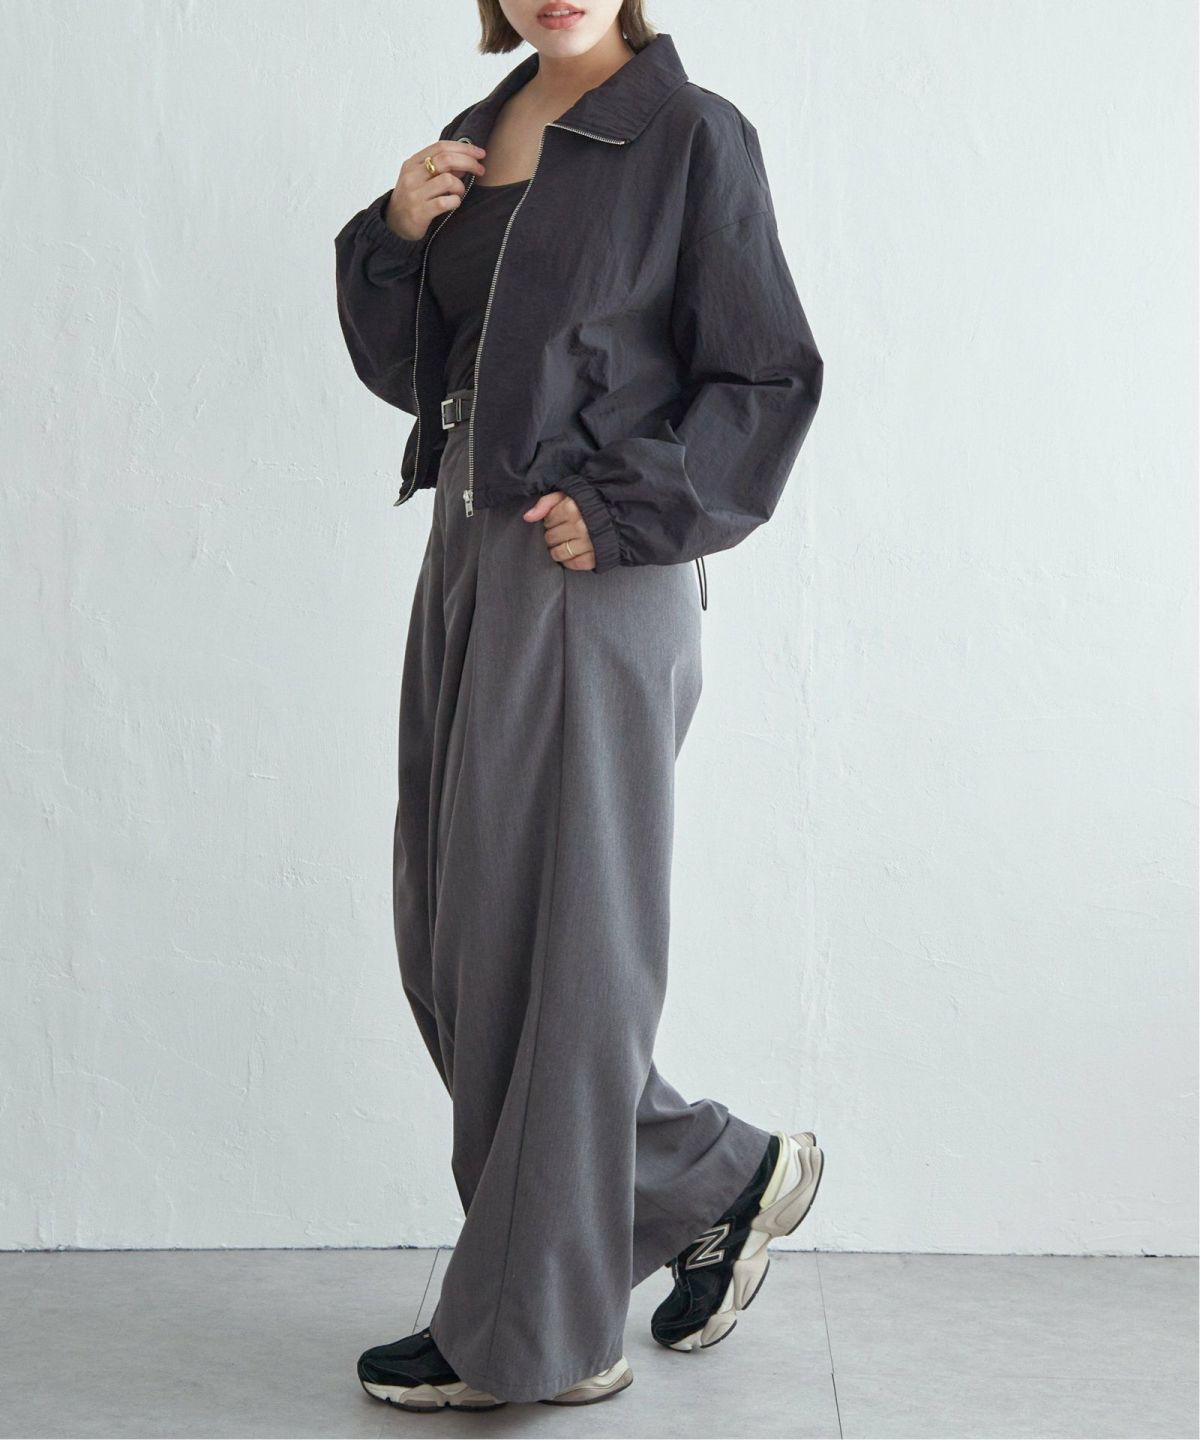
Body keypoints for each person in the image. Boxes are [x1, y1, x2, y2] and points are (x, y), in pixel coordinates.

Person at [333, 0, 825, 1412]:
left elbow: (766, 375)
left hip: (595, 571)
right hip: (469, 553)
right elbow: (422, 375)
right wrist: (397, 238)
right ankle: (717, 1175)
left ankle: (543, 1329)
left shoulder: (692, 137)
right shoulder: (476, 142)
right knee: (456, 941)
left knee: (563, 948)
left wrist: (623, 508)